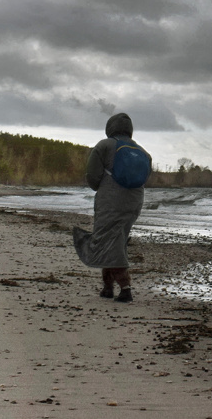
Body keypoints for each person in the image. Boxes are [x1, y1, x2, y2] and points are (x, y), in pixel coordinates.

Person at [73, 112, 146, 303]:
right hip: (135, 201)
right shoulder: (141, 150)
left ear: (110, 127)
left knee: (109, 240)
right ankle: (107, 287)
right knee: (116, 239)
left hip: (110, 201)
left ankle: (125, 288)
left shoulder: (104, 146)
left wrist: (102, 189)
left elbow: (92, 175)